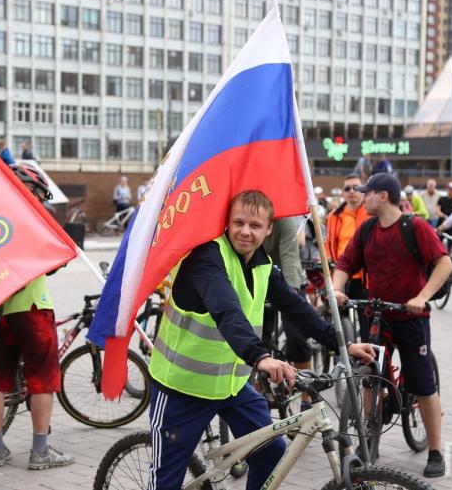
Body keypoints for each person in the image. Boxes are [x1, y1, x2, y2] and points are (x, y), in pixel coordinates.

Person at [146, 190, 377, 489]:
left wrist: (342, 344)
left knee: (271, 453)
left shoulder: (262, 265)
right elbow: (226, 311)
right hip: (182, 388)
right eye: (238, 222)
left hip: (230, 385)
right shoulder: (206, 258)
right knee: (165, 480)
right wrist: (261, 357)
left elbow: (295, 307)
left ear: (269, 229)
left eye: (255, 225)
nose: (245, 231)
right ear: (227, 223)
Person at [331, 173, 452, 478]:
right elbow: (345, 263)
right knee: (371, 376)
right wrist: (337, 288)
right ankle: (369, 439)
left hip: (410, 318)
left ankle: (435, 450)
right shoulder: (367, 229)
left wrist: (422, 297)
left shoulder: (415, 227)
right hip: (376, 315)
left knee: (423, 385)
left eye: (367, 192)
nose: (363, 197)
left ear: (383, 196)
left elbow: (444, 263)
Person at [0, 165, 73, 470]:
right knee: (42, 379)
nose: (40, 200)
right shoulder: (30, 219)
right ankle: (40, 451)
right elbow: (52, 260)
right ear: (29, 190)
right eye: (39, 194)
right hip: (31, 307)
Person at [262, 217, 313, 408]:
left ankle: (307, 397)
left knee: (297, 338)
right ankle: (259, 388)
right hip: (260, 280)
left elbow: (290, 257)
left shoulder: (285, 221)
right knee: (257, 339)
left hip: (289, 282)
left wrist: (291, 294)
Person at [326, 174, 370, 299]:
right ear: (343, 192)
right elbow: (329, 243)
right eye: (347, 188)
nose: (351, 191)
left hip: (366, 277)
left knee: (365, 311)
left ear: (363, 191)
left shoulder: (371, 214)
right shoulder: (333, 216)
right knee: (339, 311)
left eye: (356, 187)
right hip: (341, 276)